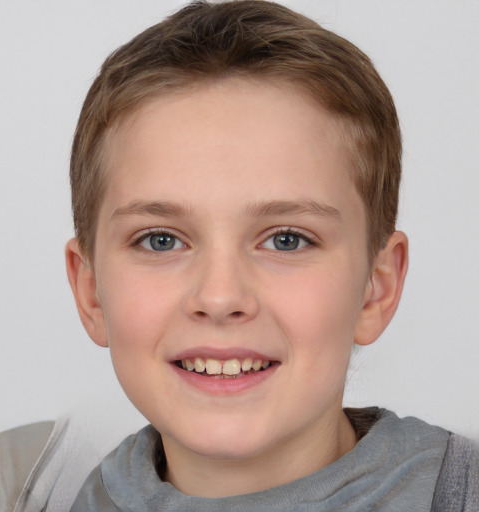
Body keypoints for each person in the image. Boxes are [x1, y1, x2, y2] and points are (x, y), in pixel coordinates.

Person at [62, 0, 478, 510]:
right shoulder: (38, 495)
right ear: (91, 292)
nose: (219, 297)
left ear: (377, 286)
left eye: (286, 239)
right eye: (161, 240)